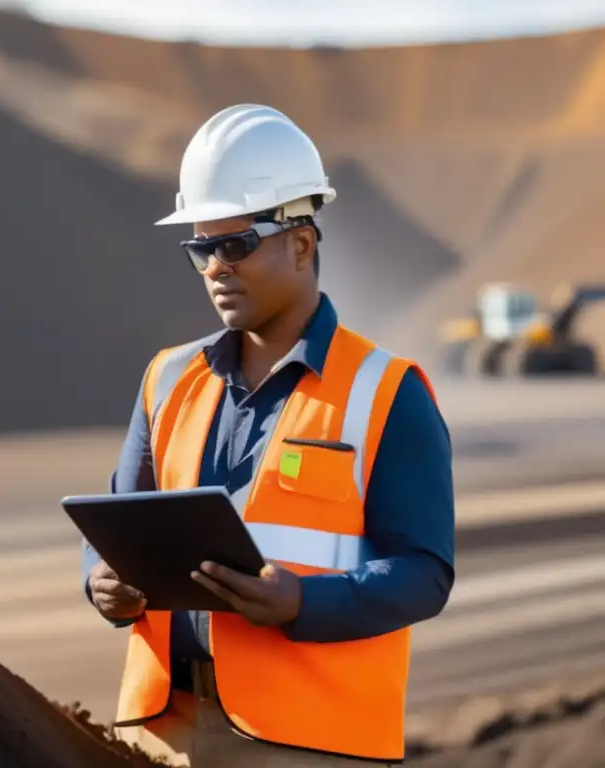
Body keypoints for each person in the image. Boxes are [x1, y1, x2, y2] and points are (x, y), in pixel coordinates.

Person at [81, 104, 455, 766]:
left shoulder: (386, 392)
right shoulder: (167, 379)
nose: (216, 267)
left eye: (236, 244)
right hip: (161, 733)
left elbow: (424, 573)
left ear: (301, 243)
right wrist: (102, 585)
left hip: (309, 743)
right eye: (202, 248)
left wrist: (302, 602)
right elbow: (115, 524)